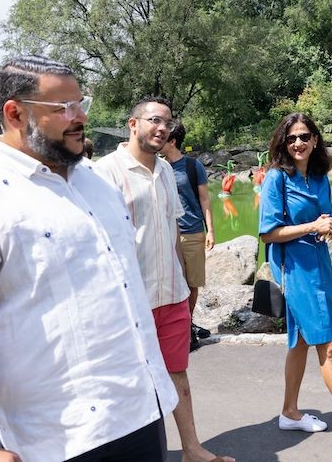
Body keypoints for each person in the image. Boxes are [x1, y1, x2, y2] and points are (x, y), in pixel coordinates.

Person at [0, 55, 177, 462]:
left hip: (140, 409)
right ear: (15, 113)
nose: (79, 118)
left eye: (80, 104)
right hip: (53, 437)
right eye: (63, 108)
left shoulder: (95, 183)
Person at [97, 97, 235, 462]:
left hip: (171, 294)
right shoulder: (105, 172)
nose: (162, 128)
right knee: (131, 384)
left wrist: (181, 277)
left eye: (168, 123)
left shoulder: (166, 171)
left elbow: (173, 227)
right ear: (133, 124)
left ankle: (192, 449)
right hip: (132, 300)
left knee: (177, 374)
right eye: (155, 120)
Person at [258, 112, 332, 453]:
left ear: (315, 140)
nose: (298, 143)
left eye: (305, 136)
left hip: (318, 264)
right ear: (283, 142)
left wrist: (330, 225)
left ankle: (289, 413)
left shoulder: (320, 176)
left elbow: (327, 215)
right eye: (292, 138)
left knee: (299, 342)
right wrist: (313, 227)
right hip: (293, 269)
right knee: (327, 343)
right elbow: (268, 232)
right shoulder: (277, 178)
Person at [160, 120, 215, 350]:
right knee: (174, 282)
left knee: (191, 283)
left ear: (172, 141)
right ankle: (179, 325)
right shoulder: (157, 167)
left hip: (192, 232)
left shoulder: (193, 167)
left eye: (164, 137)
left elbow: (204, 199)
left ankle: (187, 324)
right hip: (167, 234)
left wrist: (210, 230)